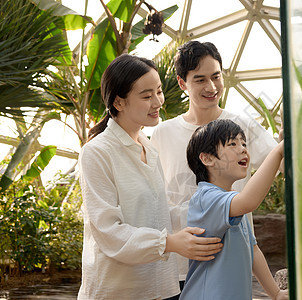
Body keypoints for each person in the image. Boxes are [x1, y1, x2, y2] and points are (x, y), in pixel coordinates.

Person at [77, 54, 223, 300]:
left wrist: (214, 204)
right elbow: (109, 232)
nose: (157, 102)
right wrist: (169, 243)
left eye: (158, 91)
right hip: (117, 291)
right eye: (146, 96)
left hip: (158, 288)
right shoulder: (97, 152)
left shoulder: (148, 148)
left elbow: (159, 215)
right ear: (119, 102)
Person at [149, 41, 279, 285]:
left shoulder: (242, 126)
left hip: (232, 264)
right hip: (177, 269)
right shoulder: (162, 134)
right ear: (182, 83)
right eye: (199, 80)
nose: (211, 87)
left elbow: (282, 162)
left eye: (216, 76)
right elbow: (155, 201)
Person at [180, 119, 288, 300]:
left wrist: (276, 293)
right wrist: (278, 151)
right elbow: (249, 201)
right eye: (232, 143)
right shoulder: (206, 198)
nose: (243, 148)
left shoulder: (232, 202)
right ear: (207, 158)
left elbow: (253, 251)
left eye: (244, 143)